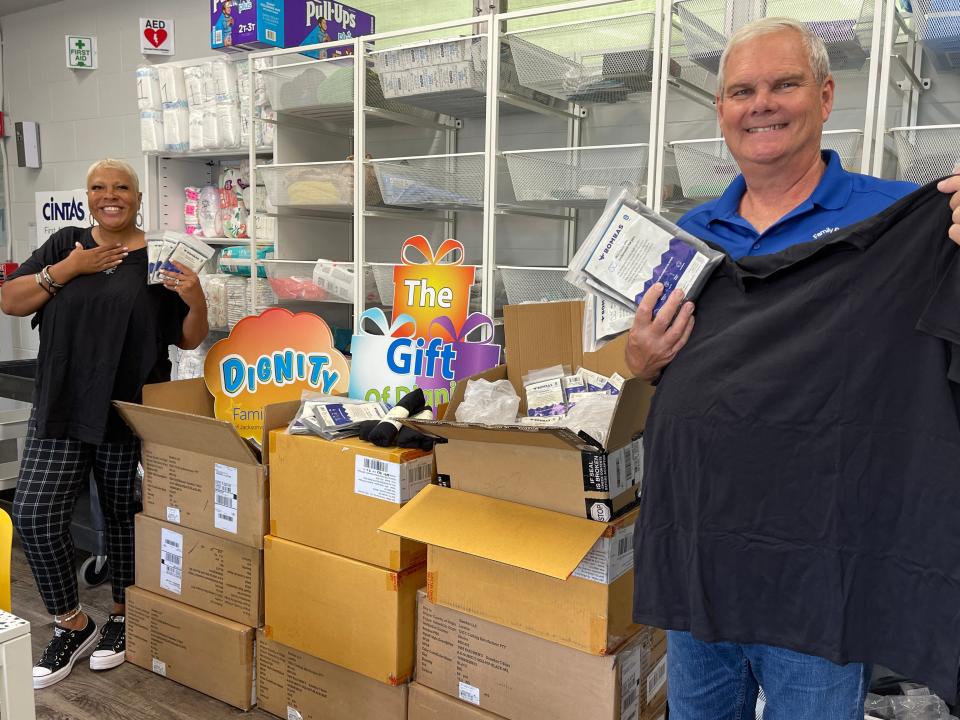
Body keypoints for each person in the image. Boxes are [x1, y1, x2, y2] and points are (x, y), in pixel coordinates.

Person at [626, 18, 960, 718]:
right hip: (699, 553)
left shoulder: (897, 222)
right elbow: (645, 368)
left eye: (785, 84)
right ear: (721, 111)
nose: (762, 104)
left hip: (819, 574)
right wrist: (641, 359)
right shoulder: (687, 239)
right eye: (742, 91)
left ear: (826, 96)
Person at [0, 158, 208, 688]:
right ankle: (72, 621)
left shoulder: (160, 258)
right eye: (98, 187)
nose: (109, 195)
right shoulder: (65, 244)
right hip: (63, 407)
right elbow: (9, 299)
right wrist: (71, 269)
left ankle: (123, 614)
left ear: (138, 198)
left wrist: (194, 296)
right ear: (88, 196)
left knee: (124, 517)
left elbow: (187, 338)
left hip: (130, 409)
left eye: (121, 187)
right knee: (33, 512)